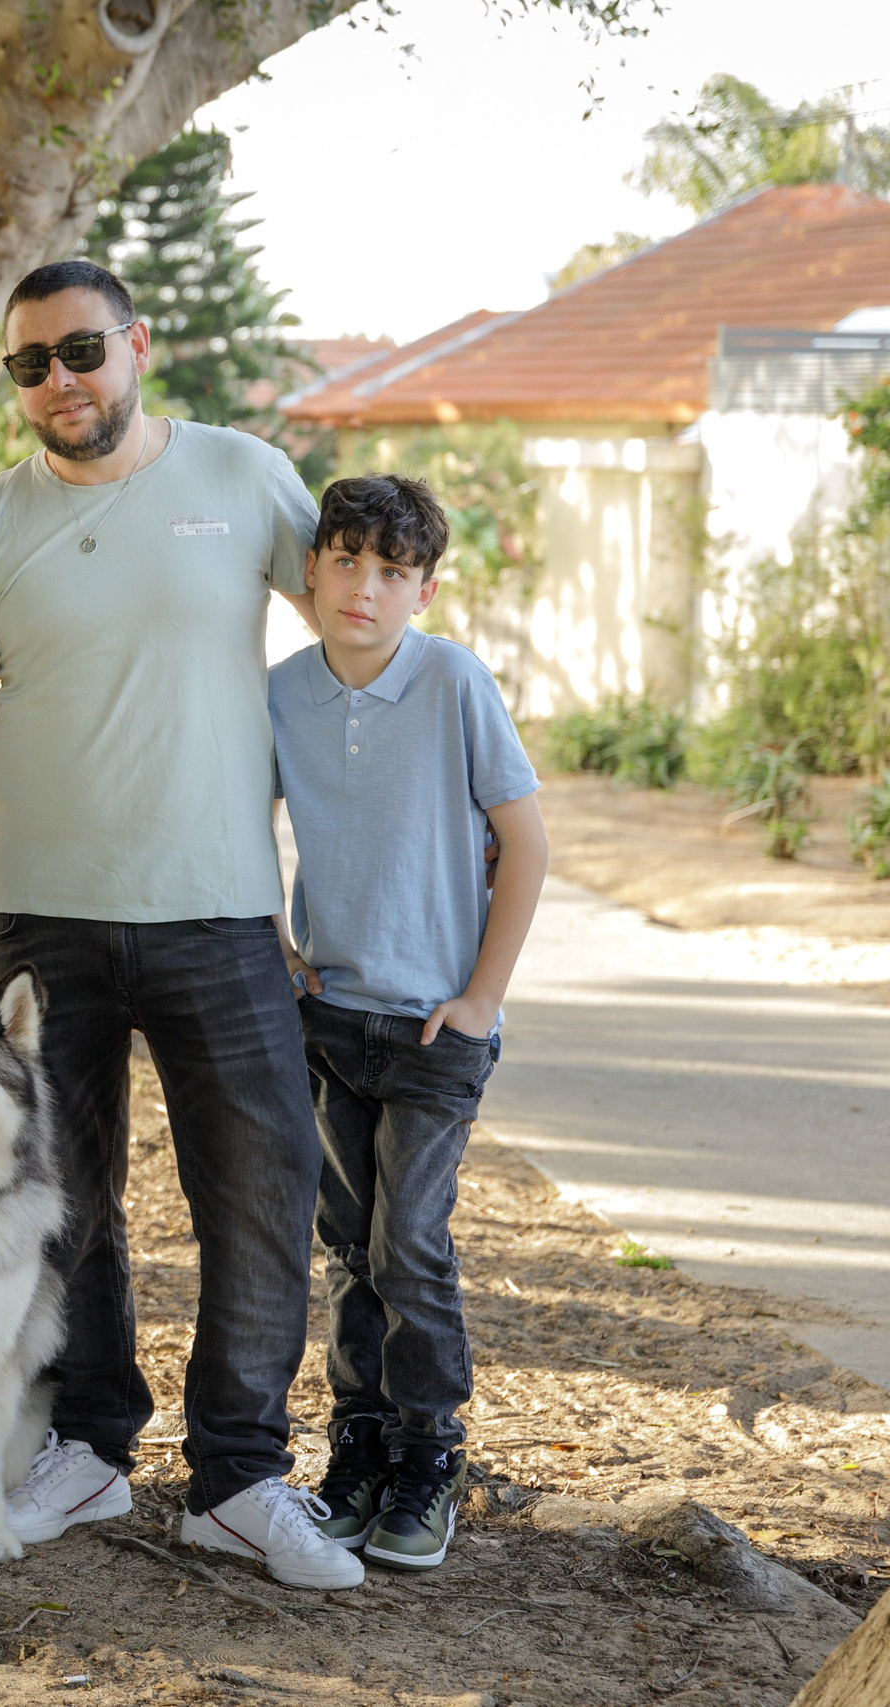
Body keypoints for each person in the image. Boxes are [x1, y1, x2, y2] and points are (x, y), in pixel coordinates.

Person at [0, 258, 365, 1590]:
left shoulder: (242, 475)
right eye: (30, 364)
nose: (60, 383)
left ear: (137, 342)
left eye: (82, 351)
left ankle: (240, 1475)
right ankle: (89, 1442)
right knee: (57, 1198)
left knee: (263, 1193)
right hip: (40, 917)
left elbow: (354, 621)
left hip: (222, 915)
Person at [269, 475, 547, 1573]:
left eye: (392, 573)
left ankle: (430, 1453)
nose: (364, 590)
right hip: (330, 1017)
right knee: (347, 1246)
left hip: (437, 1028)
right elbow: (243, 823)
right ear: (312, 570)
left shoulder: (452, 683)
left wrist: (479, 997)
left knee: (410, 1245)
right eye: (346, 563)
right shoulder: (282, 692)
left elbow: (523, 844)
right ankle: (359, 1449)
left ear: (423, 589)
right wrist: (283, 957)